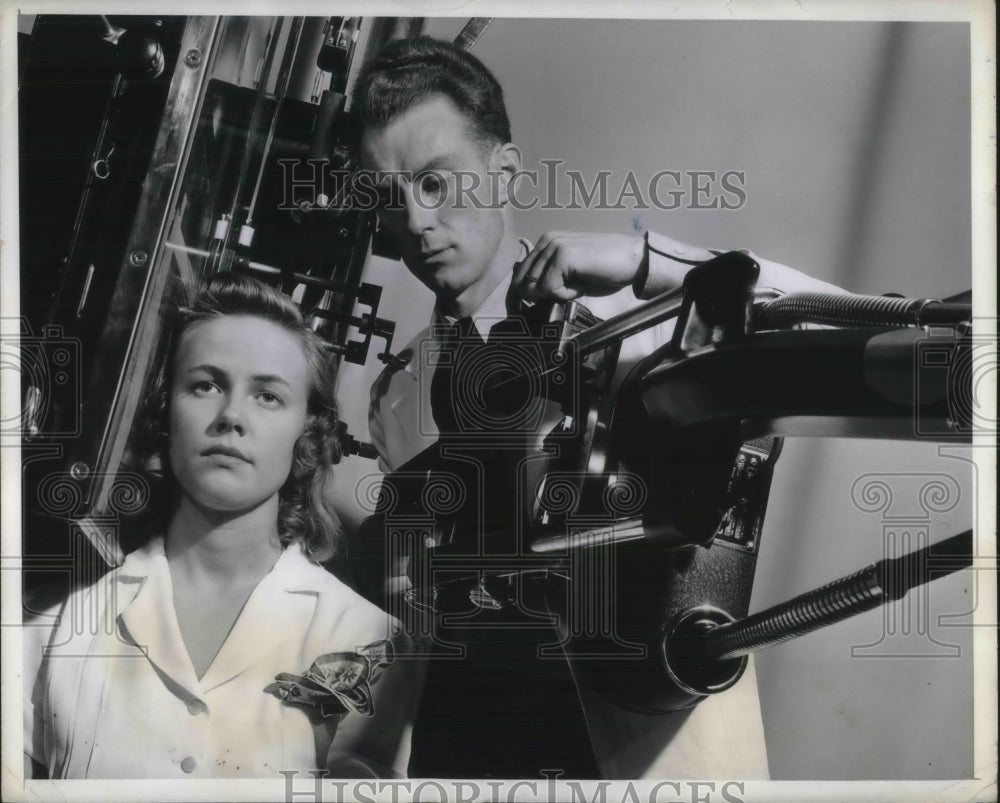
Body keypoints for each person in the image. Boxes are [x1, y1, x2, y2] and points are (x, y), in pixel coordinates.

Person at [349, 36, 843, 779]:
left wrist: (655, 266)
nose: (416, 220)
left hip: (629, 736)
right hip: (471, 739)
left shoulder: (628, 316)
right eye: (391, 196)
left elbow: (846, 328)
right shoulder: (396, 392)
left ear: (504, 171)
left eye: (437, 183)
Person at [23, 273, 416, 779]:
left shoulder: (369, 640)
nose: (231, 415)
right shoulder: (55, 624)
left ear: (308, 431)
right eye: (205, 385)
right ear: (166, 411)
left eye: (268, 396)